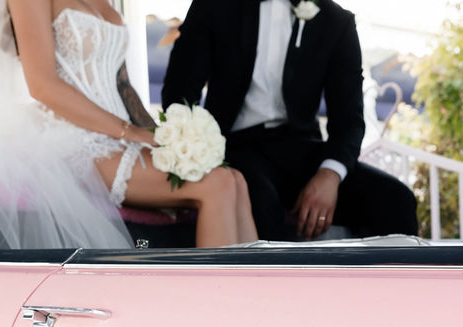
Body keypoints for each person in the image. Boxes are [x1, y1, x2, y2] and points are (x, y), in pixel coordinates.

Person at [0, 0, 257, 249]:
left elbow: (122, 84)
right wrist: (128, 131)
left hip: (120, 136)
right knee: (216, 185)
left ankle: (256, 307)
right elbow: (42, 85)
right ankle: (217, 310)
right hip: (72, 139)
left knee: (234, 180)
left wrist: (162, 135)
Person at [162, 0, 419, 242]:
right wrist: (197, 152)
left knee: (397, 201)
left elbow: (349, 119)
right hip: (232, 147)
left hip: (300, 148)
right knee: (261, 202)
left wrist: (329, 175)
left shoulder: (336, 21)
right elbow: (179, 95)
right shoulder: (215, 6)